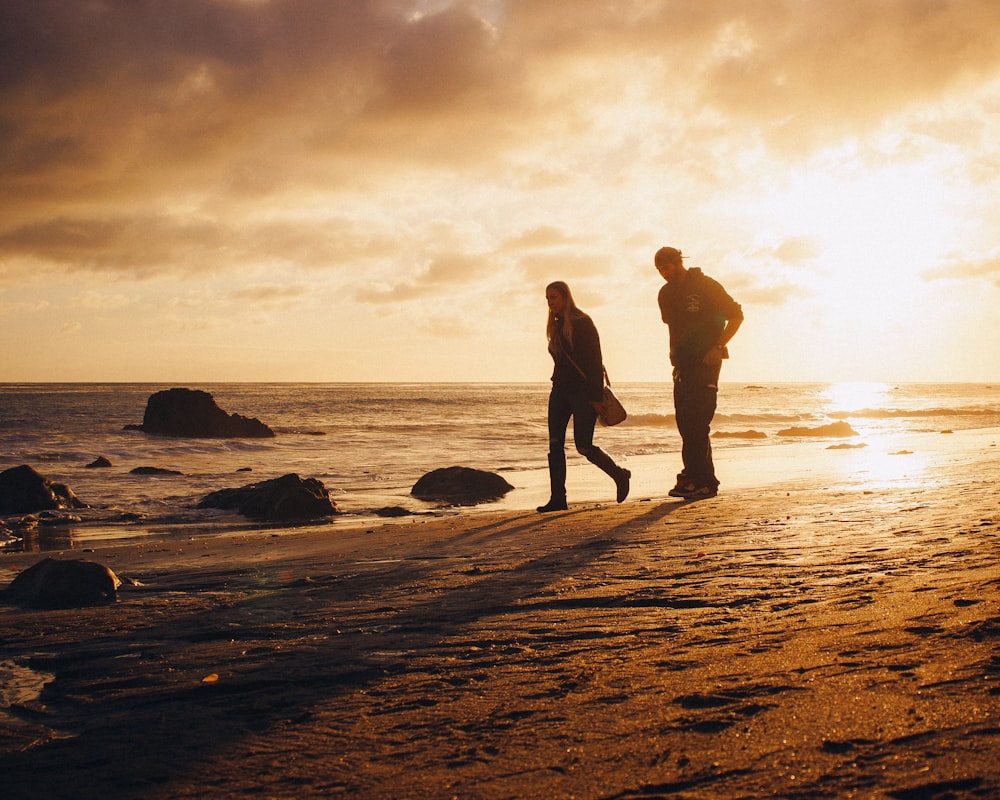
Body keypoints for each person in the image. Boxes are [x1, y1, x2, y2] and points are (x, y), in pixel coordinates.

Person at [655, 246, 743, 500]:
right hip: (681, 364)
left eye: (667, 266)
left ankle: (704, 480)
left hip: (707, 362)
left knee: (698, 420)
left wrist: (718, 346)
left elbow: (736, 316)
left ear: (679, 261)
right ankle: (694, 476)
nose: (664, 272)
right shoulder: (665, 294)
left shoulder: (705, 285)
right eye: (659, 269)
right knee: (685, 422)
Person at [538, 281, 630, 513]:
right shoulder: (555, 325)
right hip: (559, 390)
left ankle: (619, 474)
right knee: (554, 444)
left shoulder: (582, 322)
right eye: (547, 298)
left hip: (583, 393)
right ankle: (558, 498)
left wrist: (596, 396)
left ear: (566, 297)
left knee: (583, 445)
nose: (550, 302)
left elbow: (594, 361)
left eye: (554, 297)